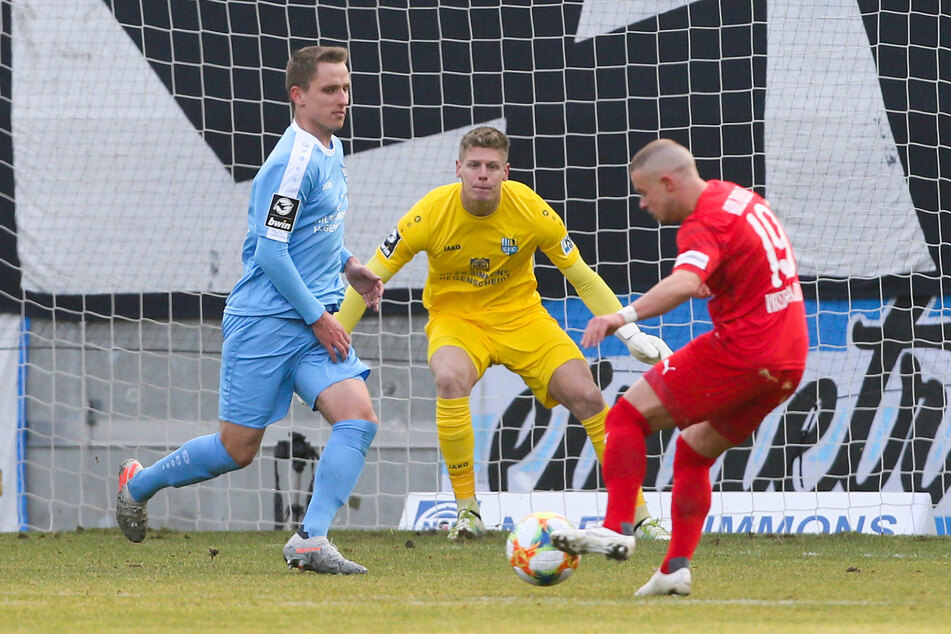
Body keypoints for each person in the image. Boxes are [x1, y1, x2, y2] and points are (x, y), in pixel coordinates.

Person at [115, 46, 385, 575]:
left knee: (358, 419)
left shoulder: (333, 149)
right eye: (330, 90)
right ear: (298, 95)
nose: (342, 99)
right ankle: (139, 483)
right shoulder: (292, 162)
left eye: (346, 88)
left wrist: (350, 264)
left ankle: (310, 538)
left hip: (310, 323)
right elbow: (270, 251)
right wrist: (318, 315)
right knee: (237, 450)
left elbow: (316, 233)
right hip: (265, 323)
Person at [337, 126, 673, 541]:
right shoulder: (428, 214)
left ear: (506, 172)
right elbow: (368, 279)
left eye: (492, 167)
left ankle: (638, 515)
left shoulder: (531, 209)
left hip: (522, 318)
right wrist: (335, 342)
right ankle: (467, 513)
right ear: (458, 168)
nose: (482, 174)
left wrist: (629, 332)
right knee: (448, 378)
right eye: (474, 165)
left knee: (587, 395)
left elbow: (582, 276)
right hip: (457, 321)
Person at [550, 139, 808, 596]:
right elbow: (745, 265)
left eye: (645, 193)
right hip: (789, 359)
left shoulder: (701, 222)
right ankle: (674, 569)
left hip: (744, 351)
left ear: (668, 182)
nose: (643, 204)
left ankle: (616, 526)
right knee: (693, 452)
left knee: (627, 416)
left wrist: (620, 317)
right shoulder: (739, 197)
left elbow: (687, 281)